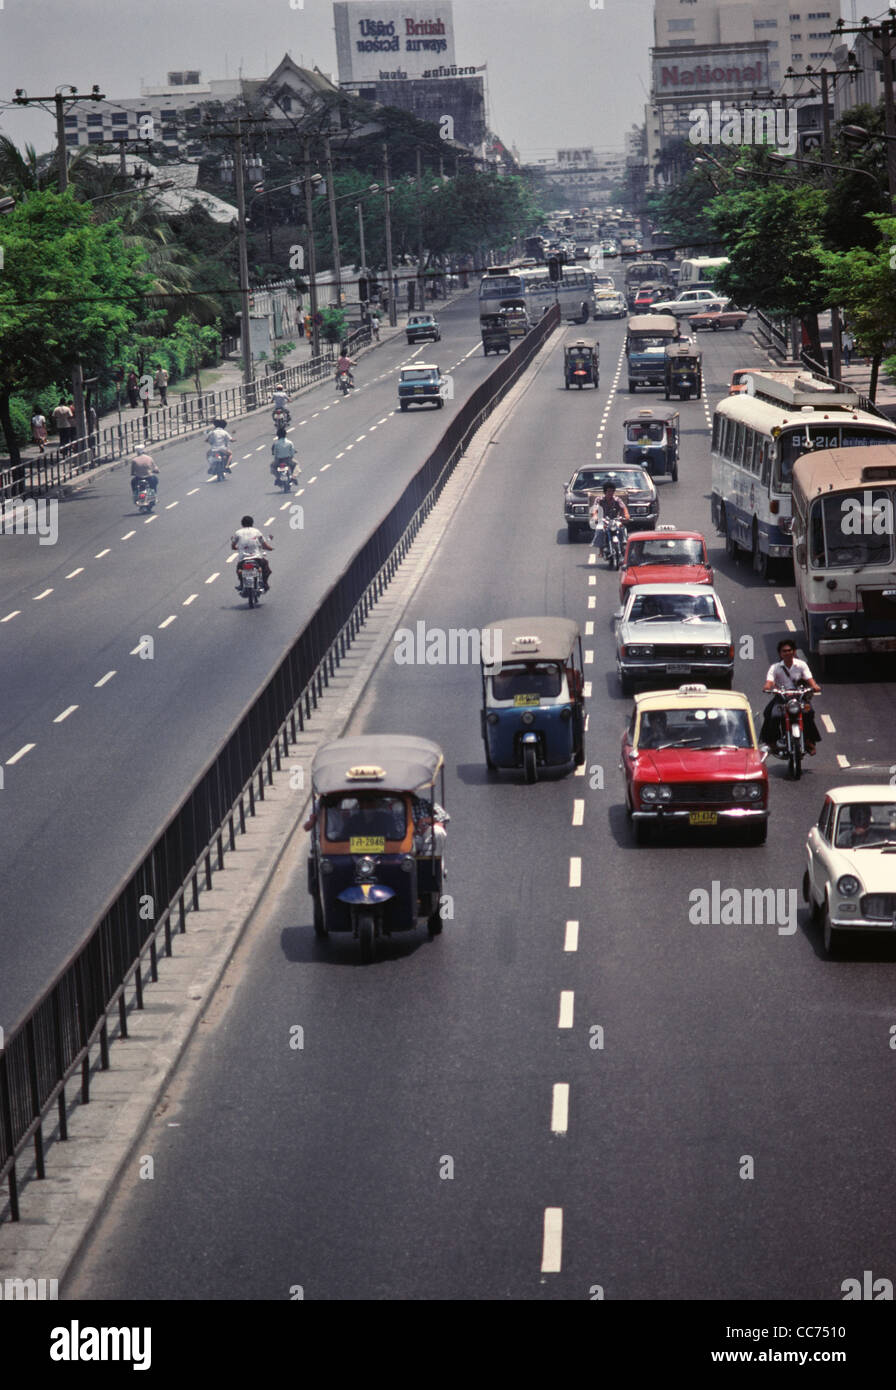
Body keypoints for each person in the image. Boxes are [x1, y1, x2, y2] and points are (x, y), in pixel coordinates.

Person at [760, 639, 822, 752]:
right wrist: (768, 687)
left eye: (789, 650)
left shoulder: (801, 665)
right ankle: (773, 742)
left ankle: (808, 741)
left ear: (794, 652)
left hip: (799, 696)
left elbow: (810, 679)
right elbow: (770, 682)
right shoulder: (775, 668)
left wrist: (815, 686)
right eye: (784, 651)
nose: (787, 653)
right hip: (782, 697)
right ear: (780, 653)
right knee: (772, 715)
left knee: (809, 712)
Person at [230, 514, 273, 592]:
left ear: (242, 523)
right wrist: (270, 548)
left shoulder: (238, 533)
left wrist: (237, 548)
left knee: (239, 570)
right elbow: (264, 545)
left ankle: (241, 584)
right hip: (257, 558)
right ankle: (265, 583)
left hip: (243, 559)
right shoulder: (256, 531)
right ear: (252, 523)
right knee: (266, 569)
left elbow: (233, 546)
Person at [590, 481, 630, 555]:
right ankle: (601, 550)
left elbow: (624, 508)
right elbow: (594, 510)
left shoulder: (617, 500)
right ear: (605, 492)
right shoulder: (599, 499)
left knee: (622, 528)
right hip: (603, 520)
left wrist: (626, 515)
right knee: (600, 530)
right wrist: (595, 517)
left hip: (615, 519)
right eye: (609, 491)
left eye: (612, 491)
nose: (610, 493)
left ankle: (622, 545)